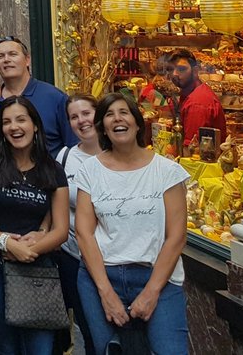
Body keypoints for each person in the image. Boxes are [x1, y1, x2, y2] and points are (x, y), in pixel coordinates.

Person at [74, 94, 189, 355]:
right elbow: (84, 233)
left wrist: (151, 292)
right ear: (102, 127)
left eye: (124, 112)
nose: (117, 119)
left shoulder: (167, 171)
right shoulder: (89, 171)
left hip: (157, 276)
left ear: (138, 124)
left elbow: (177, 237)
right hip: (101, 277)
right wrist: (105, 293)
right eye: (109, 115)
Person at [0, 96, 70, 355]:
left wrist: (32, 249)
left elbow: (61, 230)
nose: (14, 127)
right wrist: (6, 243)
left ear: (35, 125)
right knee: (4, 345)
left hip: (38, 269)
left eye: (21, 119)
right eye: (6, 122)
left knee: (40, 347)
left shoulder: (52, 169)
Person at [54, 95, 102, 355]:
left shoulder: (118, 151)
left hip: (114, 257)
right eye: (74, 117)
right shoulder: (64, 157)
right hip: (75, 257)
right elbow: (56, 205)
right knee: (87, 326)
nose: (81, 121)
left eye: (86, 113)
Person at [0, 37, 76, 155]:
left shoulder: (54, 97)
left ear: (27, 60)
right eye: (0, 56)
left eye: (13, 54)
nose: (6, 59)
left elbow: (75, 148)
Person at [167, 50, 226, 146]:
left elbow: (191, 148)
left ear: (195, 71)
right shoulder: (190, 92)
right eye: (170, 69)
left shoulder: (197, 103)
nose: (174, 74)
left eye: (181, 69)